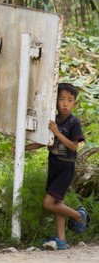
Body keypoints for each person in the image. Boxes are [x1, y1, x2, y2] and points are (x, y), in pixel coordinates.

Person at [25, 82, 87, 250]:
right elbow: (46, 141)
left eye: (70, 100)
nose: (65, 104)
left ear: (75, 102)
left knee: (49, 203)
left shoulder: (74, 122)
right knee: (58, 201)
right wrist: (25, 148)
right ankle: (61, 240)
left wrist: (58, 132)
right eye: (61, 99)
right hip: (54, 165)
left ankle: (79, 216)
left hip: (66, 168)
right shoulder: (54, 119)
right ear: (56, 101)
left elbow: (74, 147)